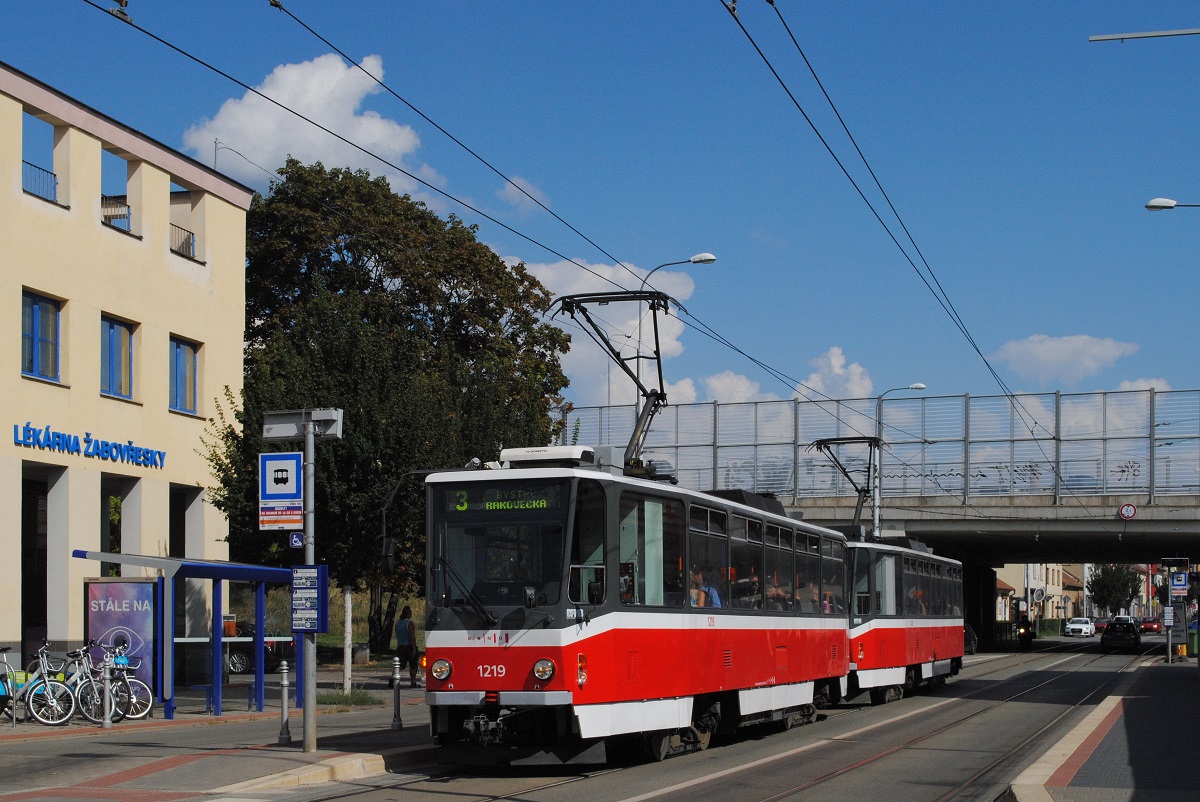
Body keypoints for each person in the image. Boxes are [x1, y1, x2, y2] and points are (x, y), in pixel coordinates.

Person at [391, 605, 419, 688]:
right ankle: (413, 682)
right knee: (413, 665)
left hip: (400, 646)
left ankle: (392, 678)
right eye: (410, 611)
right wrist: (414, 648)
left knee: (400, 665)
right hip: (408, 646)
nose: (411, 613)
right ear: (408, 613)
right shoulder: (409, 623)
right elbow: (412, 636)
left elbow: (397, 634)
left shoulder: (398, 623)